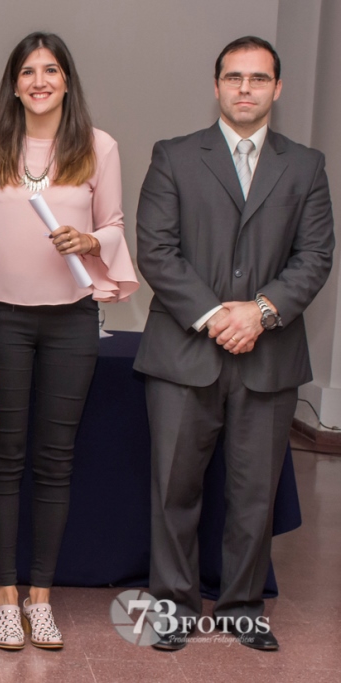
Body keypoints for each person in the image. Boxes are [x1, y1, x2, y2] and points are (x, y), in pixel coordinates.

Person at [135, 36, 333, 652]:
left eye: (258, 78)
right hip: (183, 356)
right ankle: (172, 607)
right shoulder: (172, 156)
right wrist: (222, 316)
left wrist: (262, 313)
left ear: (277, 88)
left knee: (254, 496)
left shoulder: (305, 165)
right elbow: (157, 252)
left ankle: (244, 608)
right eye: (233, 77)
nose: (244, 88)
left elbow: (316, 256)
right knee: (174, 491)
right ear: (216, 85)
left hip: (269, 358)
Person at [0, 32, 138, 650]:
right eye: (27, 71)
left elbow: (114, 225)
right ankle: (5, 594)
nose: (39, 80)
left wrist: (90, 241)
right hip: (3, 318)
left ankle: (40, 597)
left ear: (67, 80)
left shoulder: (99, 147)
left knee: (54, 460)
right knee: (4, 458)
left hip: (71, 318)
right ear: (14, 84)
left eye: (50, 70)